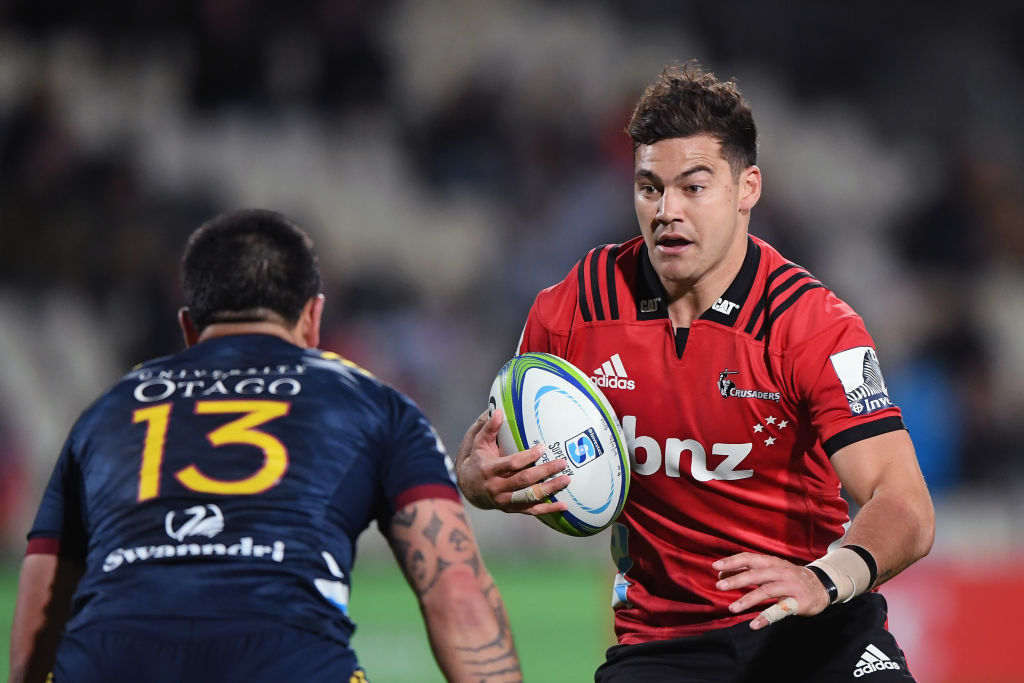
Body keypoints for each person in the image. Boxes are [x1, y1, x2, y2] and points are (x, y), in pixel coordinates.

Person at [456, 62, 935, 682]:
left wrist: (826, 577)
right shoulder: (573, 310)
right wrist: (477, 481)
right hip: (664, 646)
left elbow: (906, 503)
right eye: (649, 187)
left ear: (747, 189)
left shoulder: (810, 324)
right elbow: (494, 449)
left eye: (693, 187)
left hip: (813, 630)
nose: (665, 211)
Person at [9, 209, 522, 683]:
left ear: (190, 327)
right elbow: (458, 599)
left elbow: (39, 609)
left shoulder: (107, 411)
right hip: (287, 660)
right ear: (313, 319)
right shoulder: (375, 405)